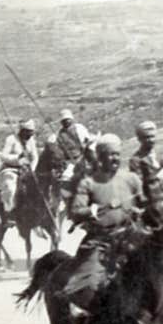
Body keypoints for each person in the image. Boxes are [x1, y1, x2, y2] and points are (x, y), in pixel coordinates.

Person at [63, 133, 146, 311]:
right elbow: (76, 211)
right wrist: (97, 209)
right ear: (100, 157)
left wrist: (140, 211)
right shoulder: (88, 183)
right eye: (110, 154)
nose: (115, 157)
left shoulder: (132, 179)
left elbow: (145, 203)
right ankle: (83, 316)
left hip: (130, 238)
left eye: (117, 153)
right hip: (100, 241)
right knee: (87, 283)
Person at [0, 119, 39, 222]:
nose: (30, 135)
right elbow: (3, 156)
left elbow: (35, 157)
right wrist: (17, 157)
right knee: (11, 188)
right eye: (28, 132)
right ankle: (9, 212)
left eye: (32, 132)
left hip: (26, 170)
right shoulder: (11, 139)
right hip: (10, 168)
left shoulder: (31, 140)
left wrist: (32, 169)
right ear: (22, 131)